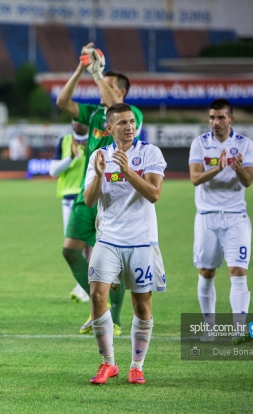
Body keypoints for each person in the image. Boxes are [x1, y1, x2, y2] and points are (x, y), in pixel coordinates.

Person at [56, 43, 144, 335]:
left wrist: (97, 75)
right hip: (88, 193)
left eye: (108, 84)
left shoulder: (132, 115)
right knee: (70, 251)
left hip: (116, 198)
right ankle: (100, 307)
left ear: (122, 92)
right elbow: (62, 101)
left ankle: (113, 321)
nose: (101, 87)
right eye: (100, 82)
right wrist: (82, 68)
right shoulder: (95, 115)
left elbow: (115, 104)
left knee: (111, 264)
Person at [83, 103, 166, 385]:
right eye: (122, 123)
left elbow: (154, 194)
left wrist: (128, 171)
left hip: (141, 240)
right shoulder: (99, 156)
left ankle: (137, 366)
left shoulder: (150, 153)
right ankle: (108, 363)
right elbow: (89, 200)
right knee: (97, 296)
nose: (129, 127)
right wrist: (98, 175)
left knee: (141, 304)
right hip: (108, 238)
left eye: (131, 122)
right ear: (109, 128)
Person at [188, 99, 253, 344]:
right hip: (207, 216)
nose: (215, 122)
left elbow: (248, 180)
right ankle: (210, 329)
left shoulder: (245, 144)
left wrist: (238, 168)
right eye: (212, 117)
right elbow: (195, 178)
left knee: (238, 270)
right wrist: (217, 168)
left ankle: (240, 329)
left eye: (220, 117)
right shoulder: (200, 143)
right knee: (206, 272)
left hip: (236, 216)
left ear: (231, 119)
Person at [49, 121, 90, 302]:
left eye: (79, 118)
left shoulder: (98, 140)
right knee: (74, 246)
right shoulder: (65, 141)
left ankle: (85, 286)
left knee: (89, 244)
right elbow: (53, 171)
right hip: (69, 199)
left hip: (89, 197)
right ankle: (84, 284)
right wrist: (71, 157)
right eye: (73, 119)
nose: (76, 122)